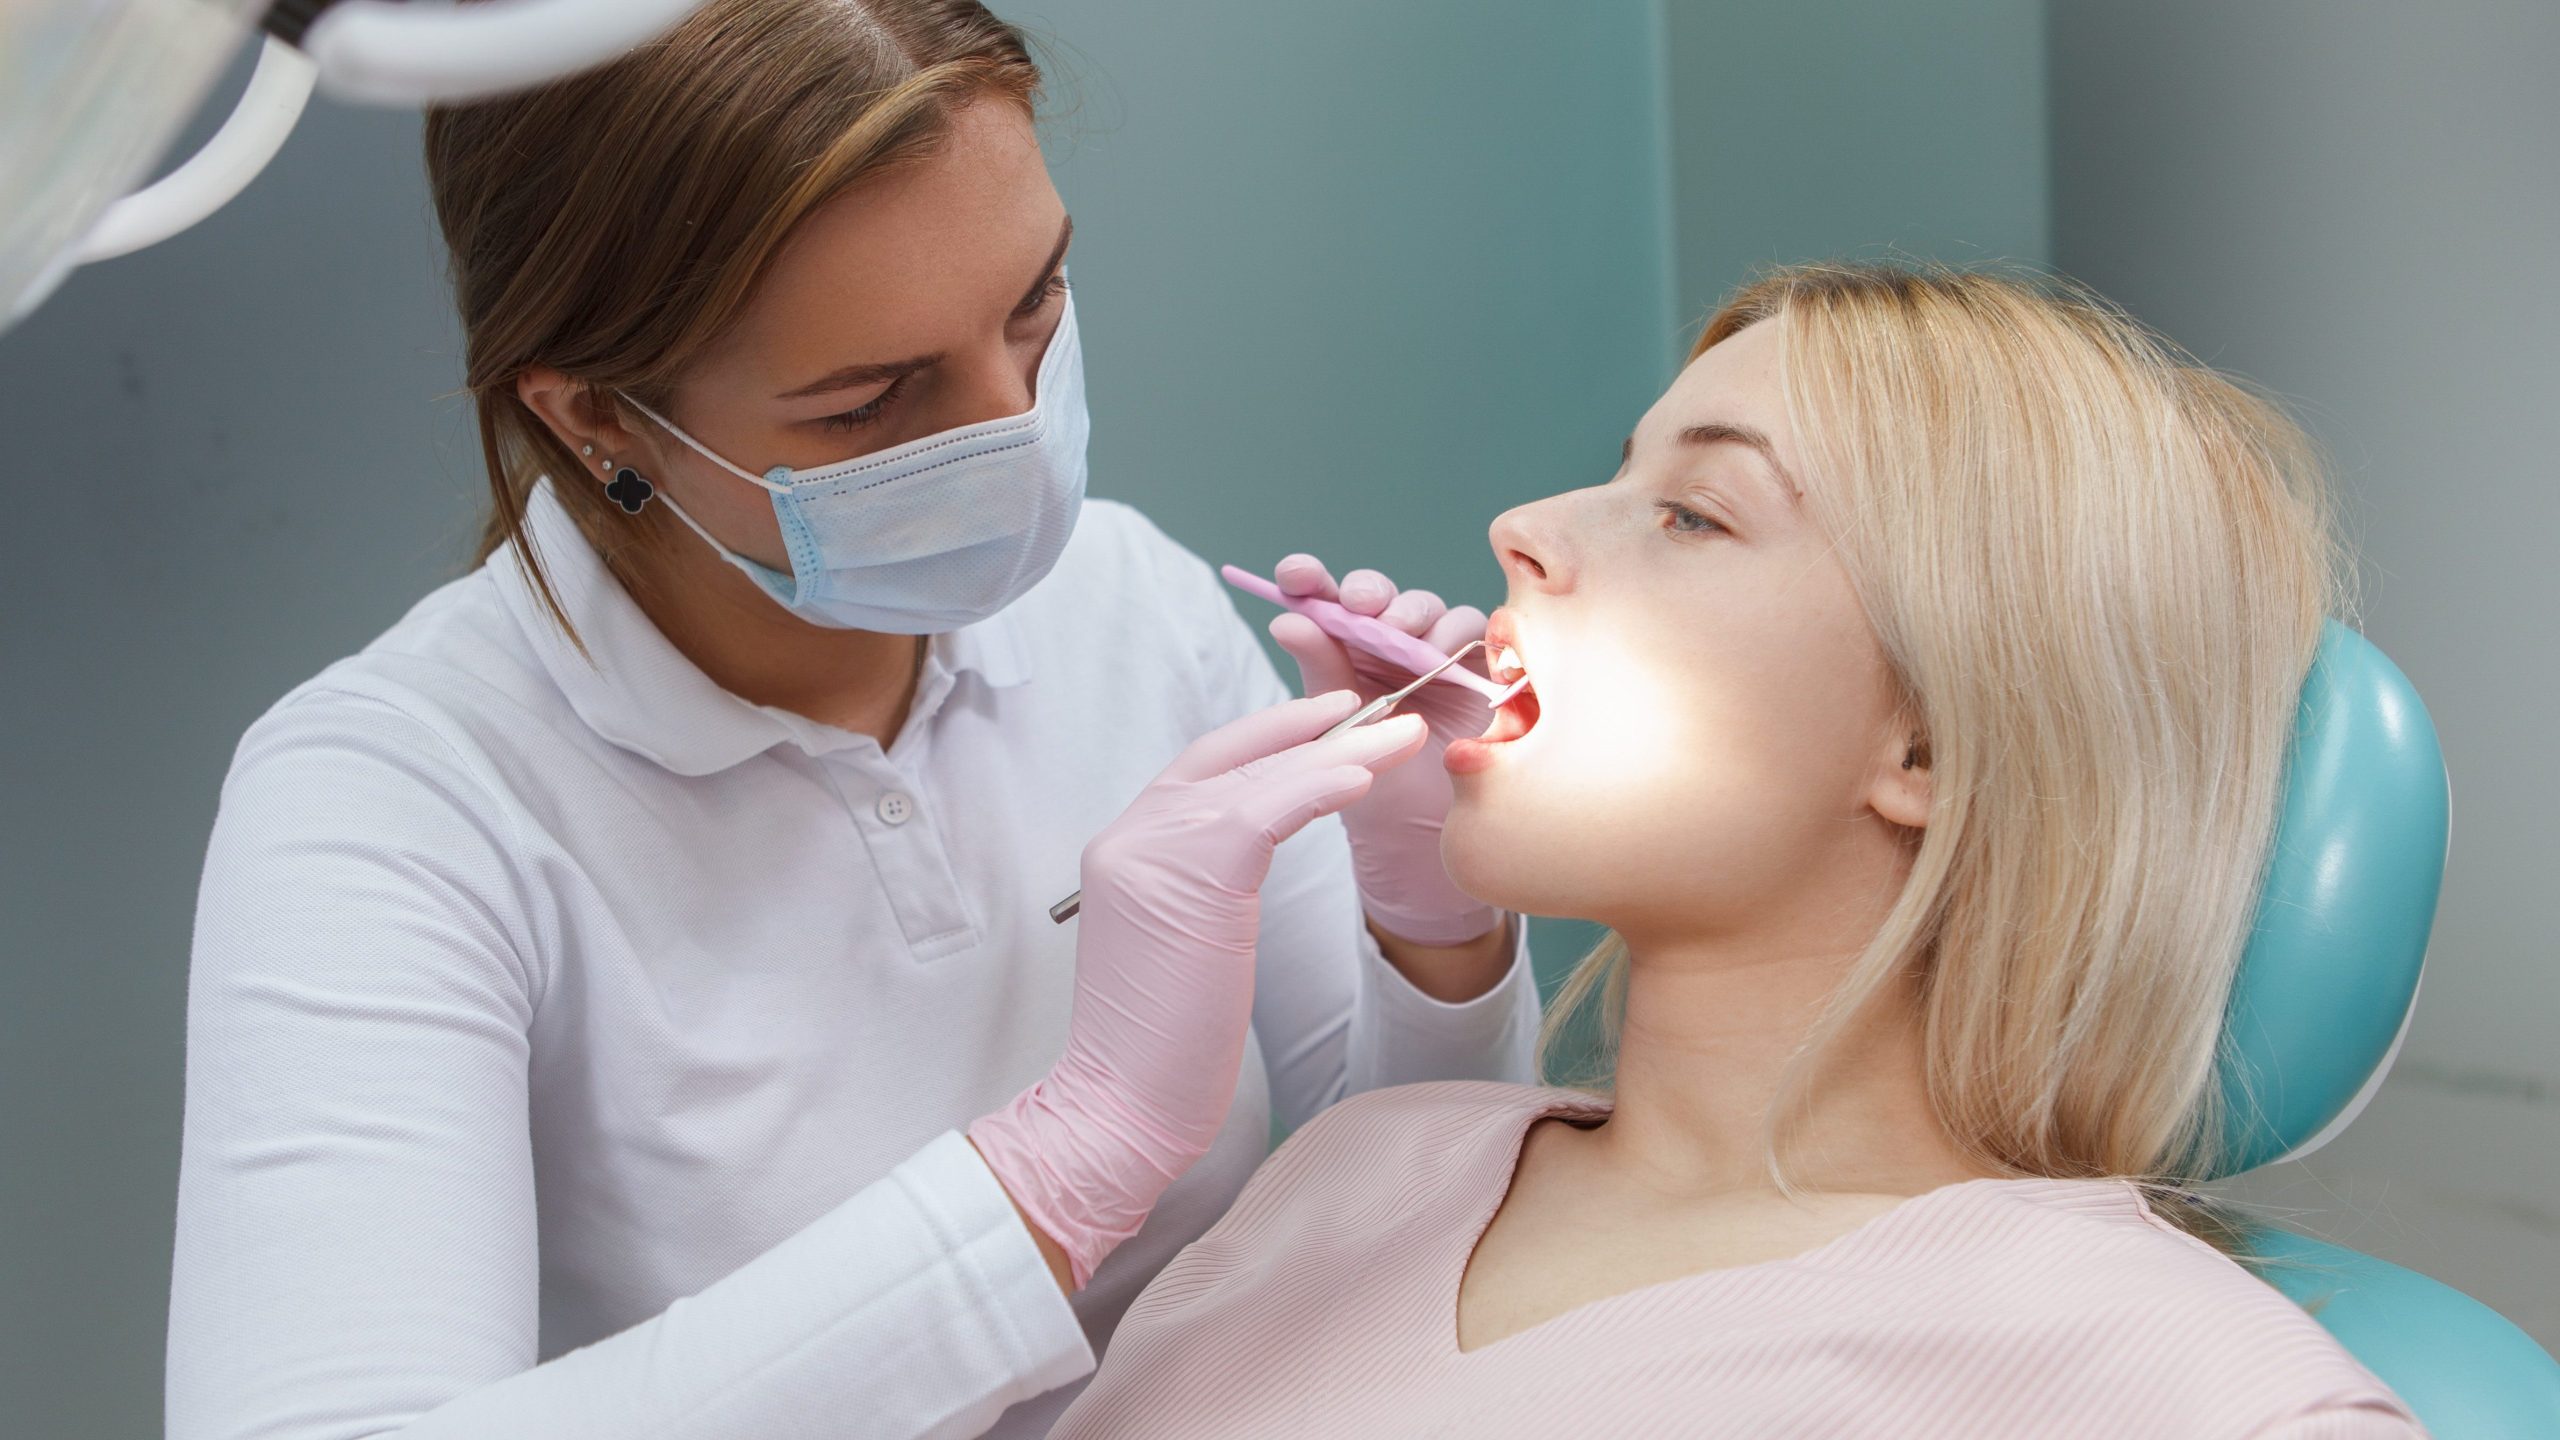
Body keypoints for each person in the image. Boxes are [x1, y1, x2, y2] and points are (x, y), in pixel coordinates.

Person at [162, 4, 1539, 1437]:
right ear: (596, 417)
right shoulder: (392, 801)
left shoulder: (1121, 597)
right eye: (872, 402)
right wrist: (1055, 1173)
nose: (1012, 437)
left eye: (1035, 304)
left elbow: (1417, 1209)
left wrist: (1437, 934)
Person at [1052, 265, 2429, 1438]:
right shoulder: (1352, 1174)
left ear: (1935, 748)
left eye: (1694, 514)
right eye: (1619, 474)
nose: (1522, 531)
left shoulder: (2196, 1403)